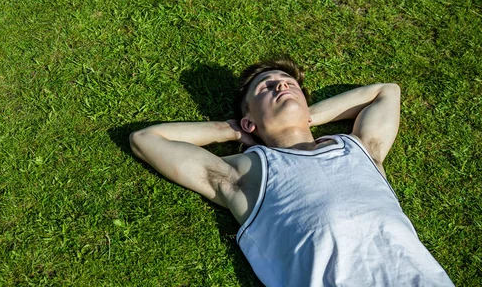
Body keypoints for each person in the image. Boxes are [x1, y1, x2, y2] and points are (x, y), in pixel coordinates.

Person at [129, 54, 453, 286]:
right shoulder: (246, 173)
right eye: (266, 88)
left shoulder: (361, 148)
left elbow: (387, 91)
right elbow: (145, 139)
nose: (281, 86)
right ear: (250, 120)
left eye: (288, 84)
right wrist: (231, 130)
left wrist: (306, 117)